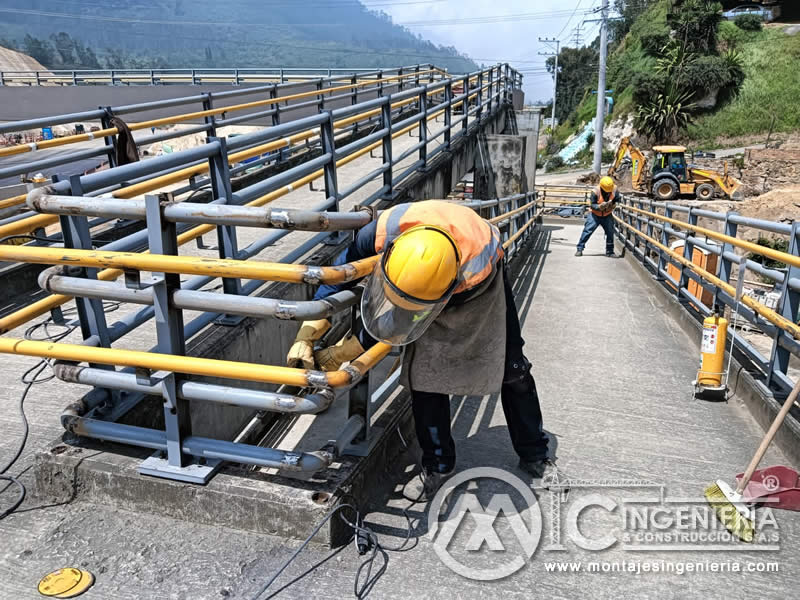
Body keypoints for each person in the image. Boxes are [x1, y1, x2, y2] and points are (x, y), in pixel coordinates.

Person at [286, 200, 551, 499]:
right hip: (430, 272)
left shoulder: (478, 264)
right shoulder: (378, 233)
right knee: (425, 377)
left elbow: (400, 322)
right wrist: (306, 334)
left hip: (478, 289)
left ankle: (535, 452)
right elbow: (336, 278)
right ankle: (438, 465)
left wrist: (343, 353)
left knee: (513, 369)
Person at [575, 176, 621, 257]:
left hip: (607, 214)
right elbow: (592, 204)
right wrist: (599, 207)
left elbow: (617, 200)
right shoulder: (595, 191)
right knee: (587, 231)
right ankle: (580, 248)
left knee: (610, 232)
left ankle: (610, 251)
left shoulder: (614, 189)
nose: (608, 192)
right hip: (595, 215)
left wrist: (613, 205)